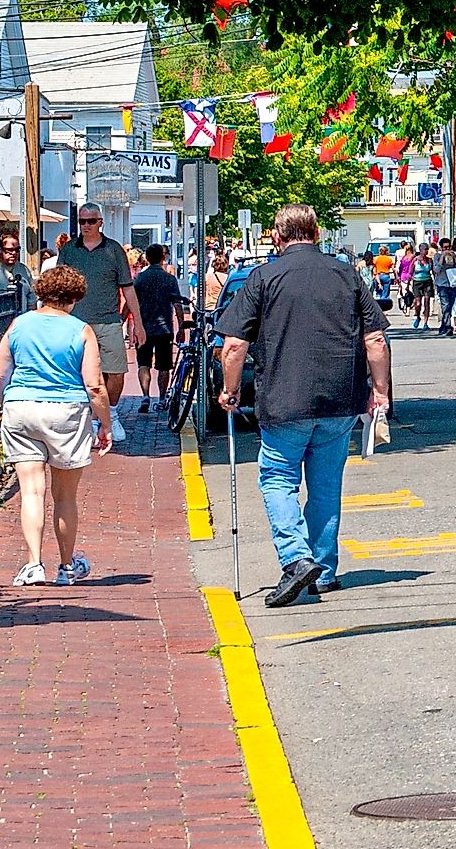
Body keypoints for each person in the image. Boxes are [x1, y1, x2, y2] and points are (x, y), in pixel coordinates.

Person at [217, 203, 391, 608]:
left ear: (276, 237)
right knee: (326, 486)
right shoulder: (347, 275)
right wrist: (379, 390)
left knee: (277, 478)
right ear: (315, 233)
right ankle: (324, 572)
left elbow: (233, 345)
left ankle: (296, 559)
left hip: (284, 400)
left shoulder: (263, 278)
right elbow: (376, 340)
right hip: (339, 400)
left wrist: (230, 390)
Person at [0, 262, 112, 586]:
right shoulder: (81, 330)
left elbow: (0, 374)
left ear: (42, 293)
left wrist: (7, 402)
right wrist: (105, 423)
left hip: (21, 407)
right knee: (64, 497)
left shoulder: (19, 325)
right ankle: (65, 566)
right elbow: (94, 385)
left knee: (31, 491)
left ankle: (33, 564)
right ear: (75, 296)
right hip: (65, 411)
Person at [57, 204, 135, 409]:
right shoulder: (69, 250)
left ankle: (111, 412)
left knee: (116, 372)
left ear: (100, 222)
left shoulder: (114, 250)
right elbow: (59, 287)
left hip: (108, 321)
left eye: (91, 221)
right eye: (82, 221)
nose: (86, 225)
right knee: (77, 371)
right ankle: (88, 413)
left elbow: (128, 288)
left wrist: (139, 323)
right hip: (75, 322)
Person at [130, 243, 184, 412]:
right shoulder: (169, 279)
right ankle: (161, 398)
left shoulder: (140, 278)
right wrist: (181, 327)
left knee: (143, 363)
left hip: (144, 327)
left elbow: (133, 303)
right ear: (163, 257)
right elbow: (177, 304)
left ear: (147, 258)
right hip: (164, 329)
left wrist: (131, 324)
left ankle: (145, 396)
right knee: (164, 366)